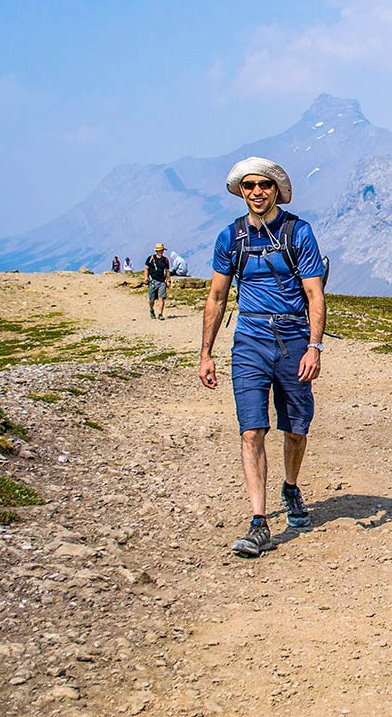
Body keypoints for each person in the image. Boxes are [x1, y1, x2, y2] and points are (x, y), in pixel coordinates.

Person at [198, 157, 327, 557]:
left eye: (265, 185)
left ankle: (290, 488)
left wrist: (314, 346)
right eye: (249, 185)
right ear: (241, 190)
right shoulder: (229, 239)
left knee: (296, 427)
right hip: (250, 341)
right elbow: (217, 297)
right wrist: (205, 353)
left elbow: (314, 294)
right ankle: (258, 522)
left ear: (276, 190)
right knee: (251, 430)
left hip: (292, 338)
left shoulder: (298, 233)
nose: (257, 191)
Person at [143, 243, 172, 319]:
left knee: (161, 298)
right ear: (157, 251)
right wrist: (146, 278)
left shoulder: (165, 260)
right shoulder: (150, 258)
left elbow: (167, 270)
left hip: (162, 281)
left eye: (162, 250)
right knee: (151, 300)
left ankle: (160, 314)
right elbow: (146, 268)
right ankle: (151, 309)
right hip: (152, 281)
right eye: (161, 250)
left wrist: (168, 280)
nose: (162, 251)